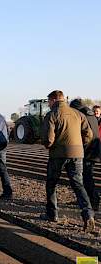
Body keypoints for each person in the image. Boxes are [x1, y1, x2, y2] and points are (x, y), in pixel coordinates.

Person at [40, 90, 94, 232]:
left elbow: (48, 139)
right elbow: (89, 134)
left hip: (58, 155)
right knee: (78, 184)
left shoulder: (52, 114)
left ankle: (52, 214)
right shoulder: (78, 114)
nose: (48, 104)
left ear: (53, 100)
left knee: (51, 184)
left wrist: (48, 145)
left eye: (49, 102)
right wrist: (79, 146)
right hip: (77, 154)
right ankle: (88, 215)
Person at [70, 99, 100, 211]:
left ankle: (94, 201)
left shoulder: (83, 115)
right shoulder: (90, 114)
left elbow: (86, 134)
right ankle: (85, 199)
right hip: (93, 150)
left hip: (88, 151)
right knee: (84, 177)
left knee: (87, 178)